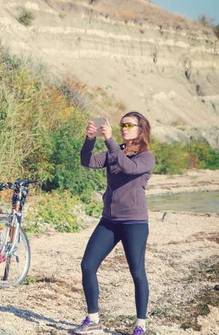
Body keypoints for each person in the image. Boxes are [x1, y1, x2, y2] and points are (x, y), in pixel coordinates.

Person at [74, 112, 155, 335]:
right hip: (109, 220)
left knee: (137, 273)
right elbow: (87, 161)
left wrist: (110, 142)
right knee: (88, 265)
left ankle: (140, 325)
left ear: (141, 130)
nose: (124, 128)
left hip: (134, 223)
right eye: (122, 125)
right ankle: (93, 319)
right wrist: (90, 139)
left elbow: (128, 168)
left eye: (129, 125)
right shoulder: (115, 151)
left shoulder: (146, 157)